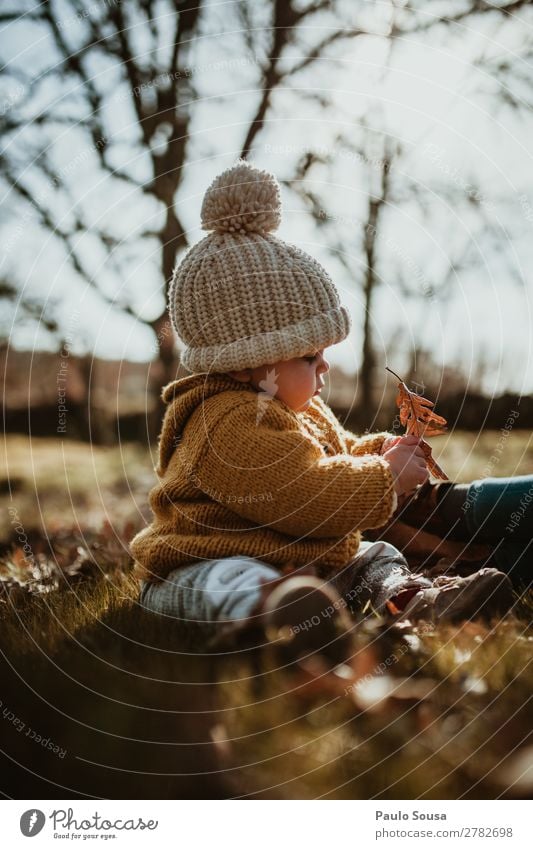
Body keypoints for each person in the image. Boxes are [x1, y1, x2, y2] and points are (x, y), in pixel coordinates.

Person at [129, 161, 514, 672]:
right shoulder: (225, 424)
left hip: (299, 559)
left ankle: (410, 600)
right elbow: (302, 491)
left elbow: (333, 457)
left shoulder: (292, 405)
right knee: (223, 582)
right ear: (250, 361)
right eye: (309, 357)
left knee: (374, 556)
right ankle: (268, 615)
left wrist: (377, 453)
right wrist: (383, 480)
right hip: (206, 561)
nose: (325, 366)